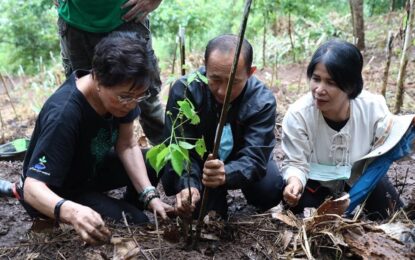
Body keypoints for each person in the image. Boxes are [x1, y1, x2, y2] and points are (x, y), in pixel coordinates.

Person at [18, 32, 172, 245]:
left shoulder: (126, 91)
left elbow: (127, 145)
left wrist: (149, 195)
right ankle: (112, 211)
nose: (132, 104)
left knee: (156, 160)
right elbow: (32, 187)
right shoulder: (64, 114)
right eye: (126, 97)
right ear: (98, 79)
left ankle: (127, 206)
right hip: (60, 188)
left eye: (140, 96)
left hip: (91, 168)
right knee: (136, 222)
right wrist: (72, 212)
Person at [281, 39, 415, 220]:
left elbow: (388, 145)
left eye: (331, 82)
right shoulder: (299, 115)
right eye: (316, 79)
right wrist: (294, 182)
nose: (319, 90)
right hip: (316, 184)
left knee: (396, 217)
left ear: (351, 86)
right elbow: (296, 163)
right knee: (315, 221)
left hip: (360, 181)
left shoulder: (372, 107)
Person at [161, 34, 282, 218]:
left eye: (233, 82)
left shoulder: (261, 100)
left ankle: (219, 185)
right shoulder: (186, 91)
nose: (222, 91)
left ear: (250, 72)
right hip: (200, 162)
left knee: (269, 190)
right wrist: (189, 185)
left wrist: (227, 173)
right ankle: (208, 192)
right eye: (215, 79)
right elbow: (180, 147)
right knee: (198, 209)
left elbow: (255, 157)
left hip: (240, 159)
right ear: (205, 66)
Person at [56, 0, 164, 144]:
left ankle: (171, 160)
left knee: (145, 98)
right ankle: (98, 160)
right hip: (76, 22)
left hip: (127, 17)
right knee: (85, 101)